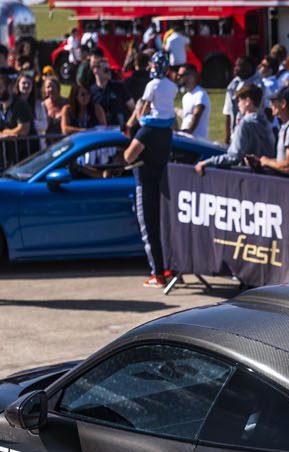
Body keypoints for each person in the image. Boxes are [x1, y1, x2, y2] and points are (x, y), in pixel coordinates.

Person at [123, 52, 176, 288]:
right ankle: (166, 268)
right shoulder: (167, 129)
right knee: (161, 227)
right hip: (162, 180)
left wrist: (132, 125)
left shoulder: (147, 130)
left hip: (145, 182)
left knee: (149, 229)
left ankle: (158, 273)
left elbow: (128, 155)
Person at [196, 83, 273, 174]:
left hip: (249, 176)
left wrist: (207, 162)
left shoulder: (245, 124)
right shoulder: (267, 123)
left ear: (247, 101)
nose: (238, 105)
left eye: (239, 101)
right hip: (268, 175)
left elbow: (234, 156)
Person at [255, 85, 289, 175]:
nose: (270, 104)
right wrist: (260, 161)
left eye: (273, 101)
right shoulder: (285, 127)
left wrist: (267, 161)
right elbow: (281, 160)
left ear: (283, 104)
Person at [0, 73, 31, 138]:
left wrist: (9, 132)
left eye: (0, 88)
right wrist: (2, 135)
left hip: (21, 146)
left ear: (9, 87)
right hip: (2, 147)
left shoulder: (21, 104)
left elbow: (24, 129)